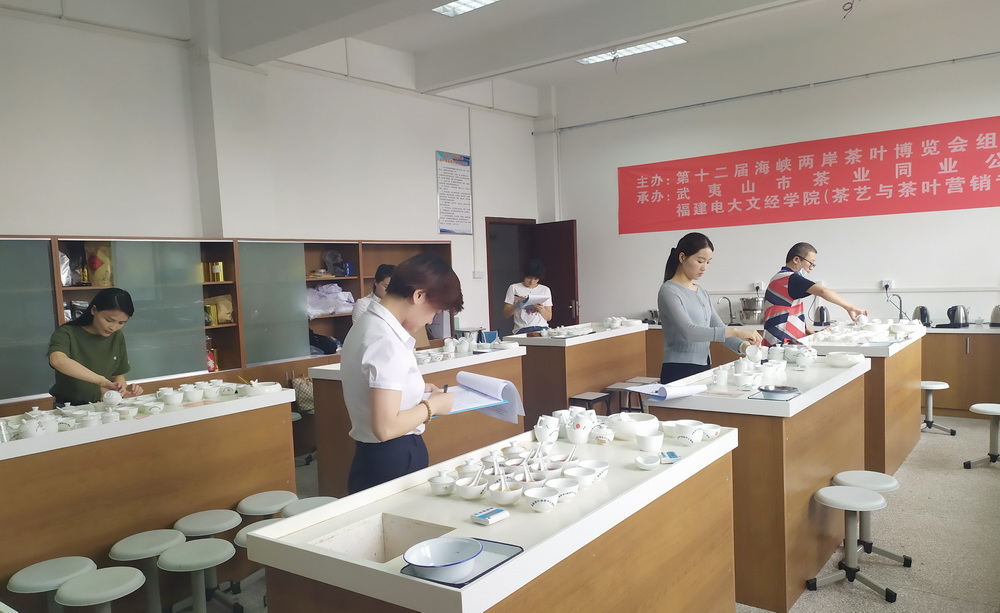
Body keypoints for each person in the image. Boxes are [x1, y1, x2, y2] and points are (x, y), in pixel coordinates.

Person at [341, 253, 463, 493]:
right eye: (435, 311)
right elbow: (386, 427)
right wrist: (433, 407)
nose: (431, 320)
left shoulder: (369, 324)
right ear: (419, 295)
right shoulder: (386, 340)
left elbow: (374, 385)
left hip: (374, 457)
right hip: (393, 458)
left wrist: (415, 388)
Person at [658, 233, 762, 384]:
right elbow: (689, 332)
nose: (704, 268)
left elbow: (718, 328)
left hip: (704, 367)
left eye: (708, 262)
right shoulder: (669, 291)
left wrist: (744, 347)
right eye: (700, 261)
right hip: (679, 369)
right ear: (682, 257)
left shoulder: (701, 292)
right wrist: (737, 331)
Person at [47, 287, 143, 406]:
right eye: (109, 320)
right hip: (69, 407)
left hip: (105, 405)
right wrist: (101, 381)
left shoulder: (117, 336)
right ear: (94, 310)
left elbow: (118, 374)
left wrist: (122, 390)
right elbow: (58, 360)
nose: (113, 327)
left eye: (121, 323)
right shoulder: (66, 333)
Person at [761, 242, 868, 346]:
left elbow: (790, 313)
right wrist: (850, 308)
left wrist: (814, 333)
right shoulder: (789, 278)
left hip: (782, 340)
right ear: (796, 259)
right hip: (781, 342)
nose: (811, 268)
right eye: (811, 263)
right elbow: (823, 291)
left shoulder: (780, 278)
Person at [503, 259, 553, 334]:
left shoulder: (545, 290)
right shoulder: (514, 288)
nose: (532, 282)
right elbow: (506, 314)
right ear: (524, 275)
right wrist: (518, 304)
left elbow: (548, 317)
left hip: (542, 328)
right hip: (522, 329)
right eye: (529, 278)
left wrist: (541, 308)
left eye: (535, 279)